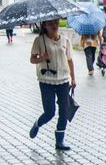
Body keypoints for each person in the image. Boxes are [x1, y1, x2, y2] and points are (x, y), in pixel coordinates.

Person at [28, 19, 76, 151]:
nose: (55, 25)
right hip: (46, 81)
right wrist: (42, 58)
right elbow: (32, 59)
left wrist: (73, 78)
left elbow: (70, 60)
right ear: (44, 25)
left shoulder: (65, 40)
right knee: (49, 113)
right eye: (51, 23)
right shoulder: (39, 41)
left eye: (56, 22)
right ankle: (37, 124)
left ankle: (59, 141)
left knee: (64, 111)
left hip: (63, 80)